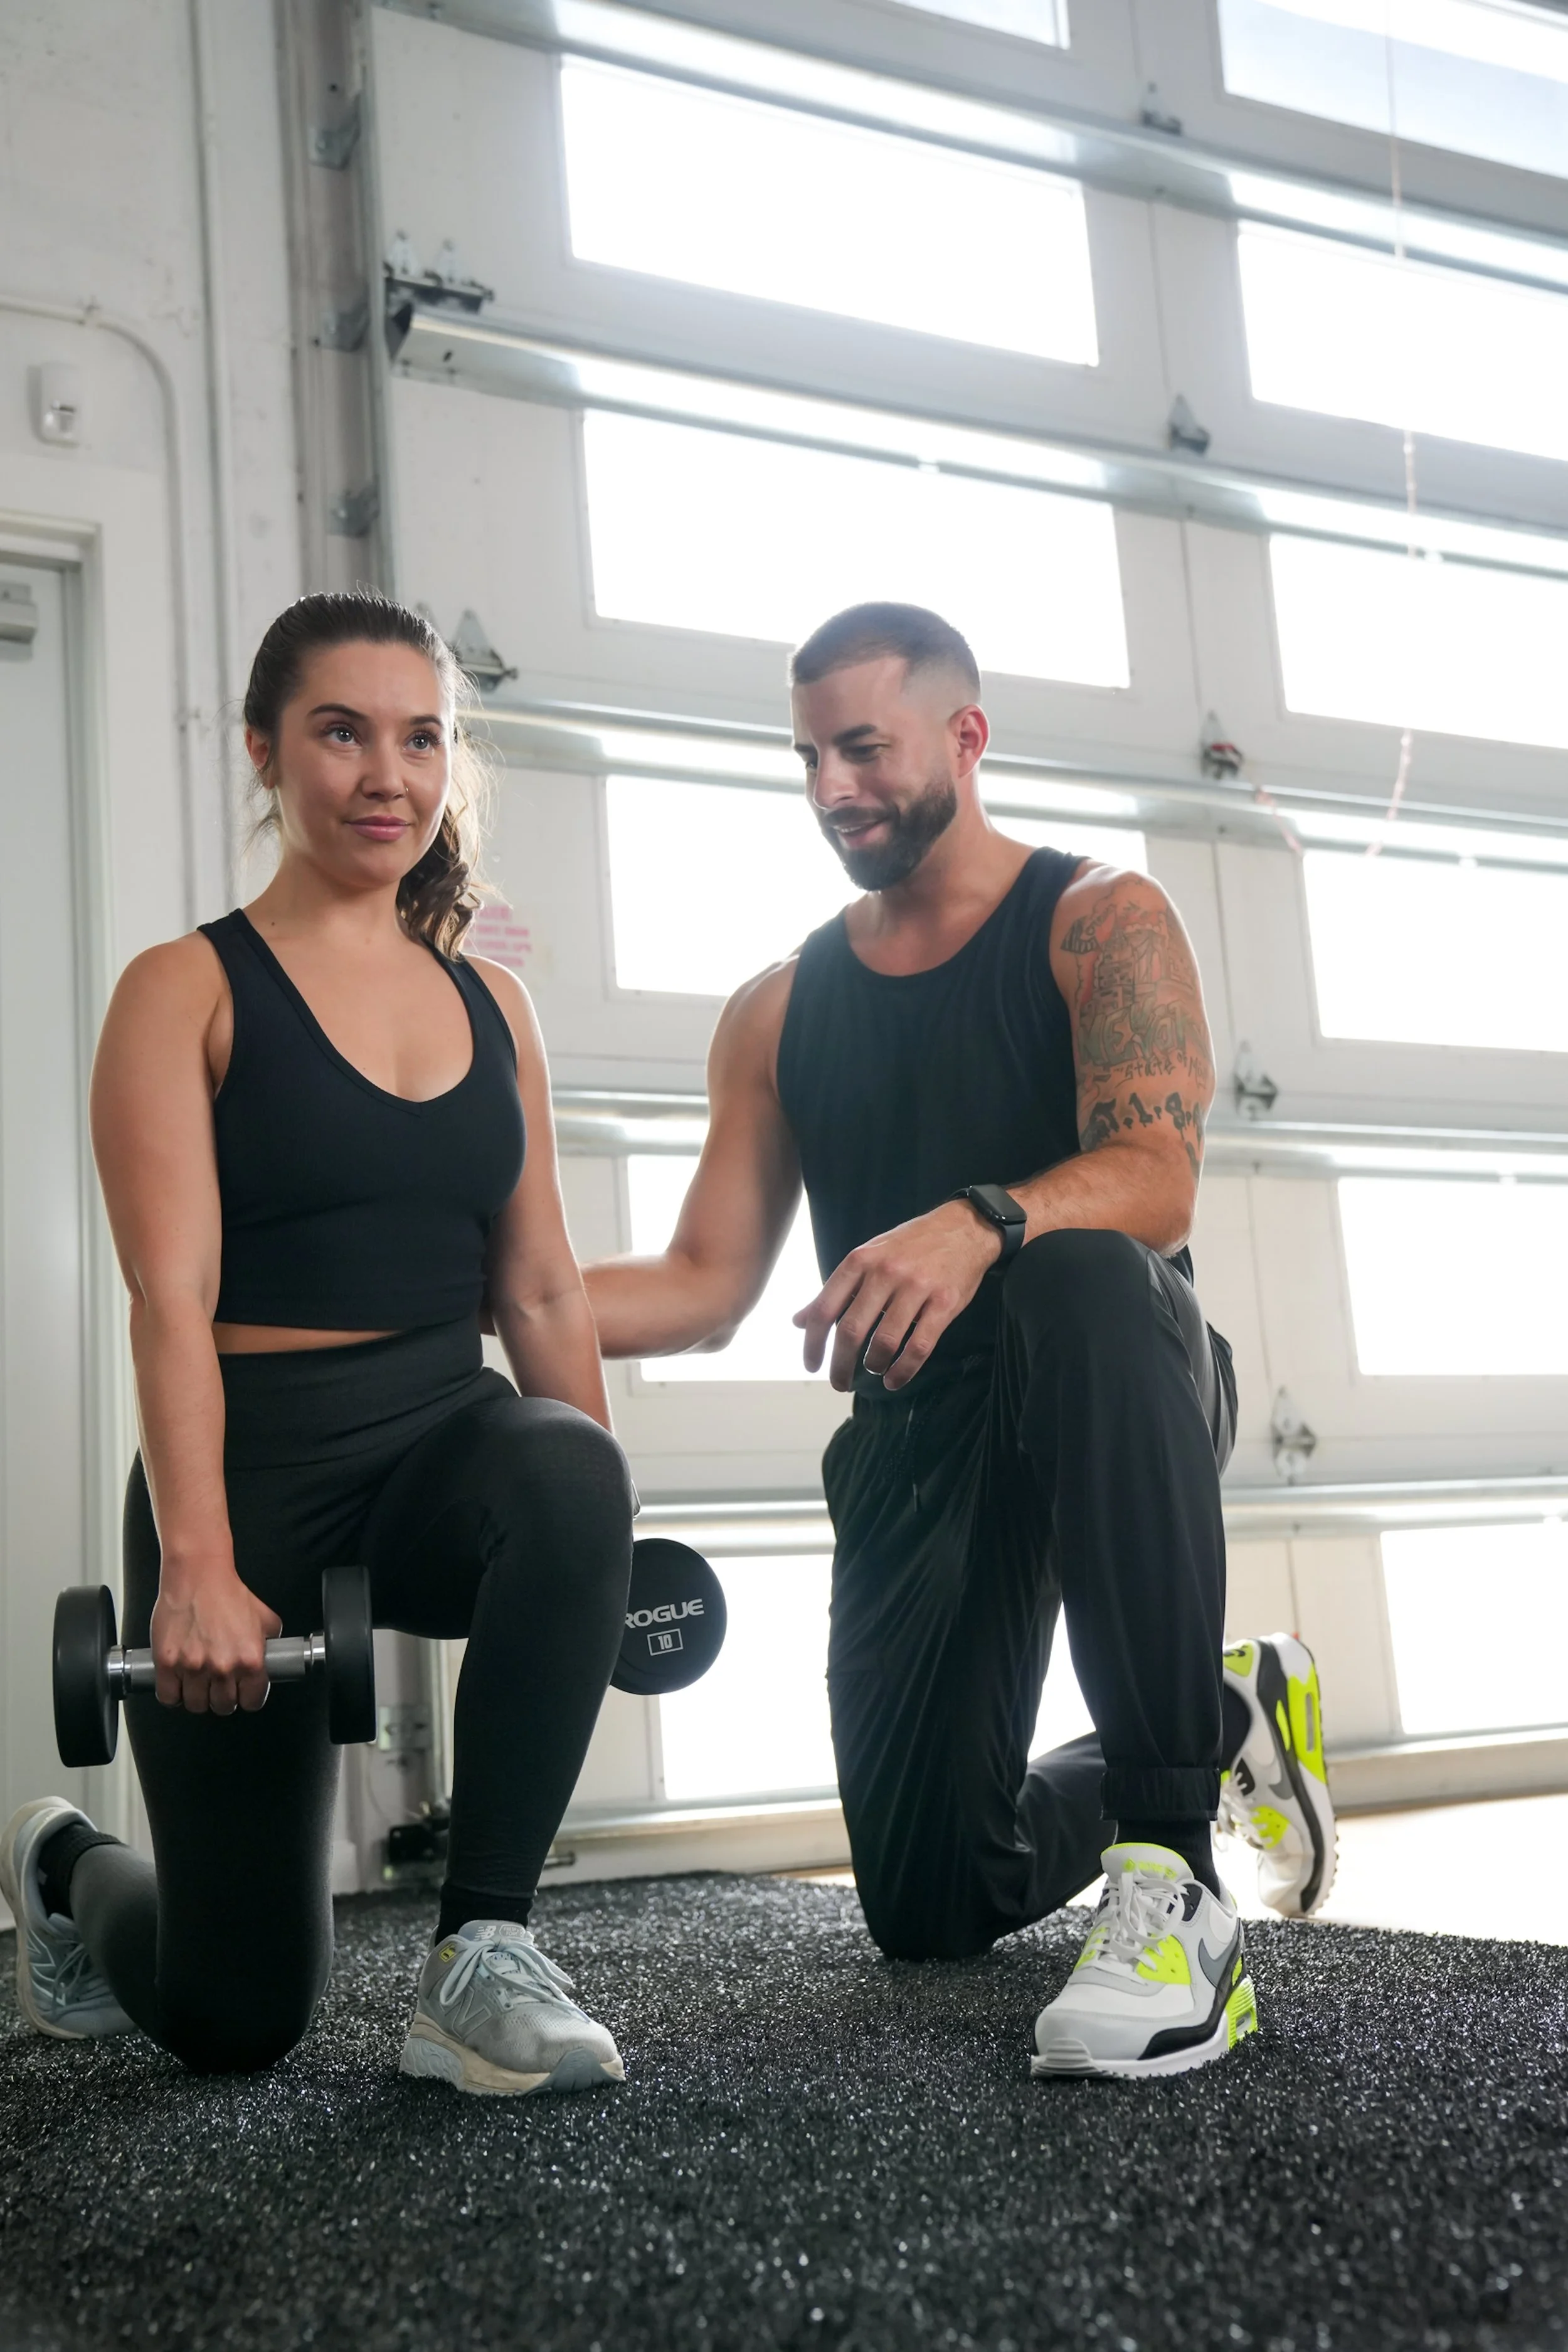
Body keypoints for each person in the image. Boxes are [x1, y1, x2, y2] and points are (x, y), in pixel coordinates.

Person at [583, 602, 1336, 2080]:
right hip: (924, 1433)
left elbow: (1156, 1181)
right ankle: (1225, 1706)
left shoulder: (1097, 920)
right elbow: (701, 1281)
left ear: (965, 737)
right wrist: (480, 1294)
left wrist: (984, 1219)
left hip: (1113, 1382)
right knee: (930, 1901)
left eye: (863, 749)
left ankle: (1171, 1876)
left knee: (1078, 1274)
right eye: (808, 758)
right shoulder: (776, 1010)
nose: (831, 788)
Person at [0, 591, 636, 2095]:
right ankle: (65, 1864)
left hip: (437, 1449)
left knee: (568, 1469)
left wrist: (614, 1538)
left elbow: (541, 1293)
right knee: (236, 2018)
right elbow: (169, 1297)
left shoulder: (494, 1006)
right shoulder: (186, 989)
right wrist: (200, 1566)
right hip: (251, 1482)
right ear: (263, 752)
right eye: (341, 734)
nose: (385, 776)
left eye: (420, 740)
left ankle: (481, 1956)